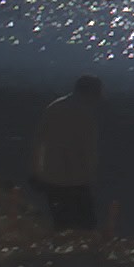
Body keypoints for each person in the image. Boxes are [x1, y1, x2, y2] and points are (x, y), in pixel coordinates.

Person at [30, 74, 105, 231]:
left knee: (60, 220)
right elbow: (89, 149)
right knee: (86, 223)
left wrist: (37, 170)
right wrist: (91, 175)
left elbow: (39, 142)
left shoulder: (54, 107)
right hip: (77, 179)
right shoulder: (86, 114)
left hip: (52, 175)